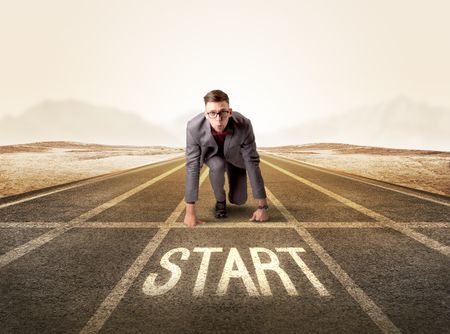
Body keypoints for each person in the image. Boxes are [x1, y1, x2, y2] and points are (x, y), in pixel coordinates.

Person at [183, 89, 269, 227]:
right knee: (217, 165)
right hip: (213, 157)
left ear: (229, 112)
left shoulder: (244, 124)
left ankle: (232, 187)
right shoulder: (193, 127)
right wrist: (190, 212)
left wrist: (262, 207)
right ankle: (220, 201)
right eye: (212, 113)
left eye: (222, 112)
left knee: (239, 200)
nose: (218, 119)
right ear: (206, 114)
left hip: (235, 157)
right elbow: (192, 166)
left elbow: (252, 162)